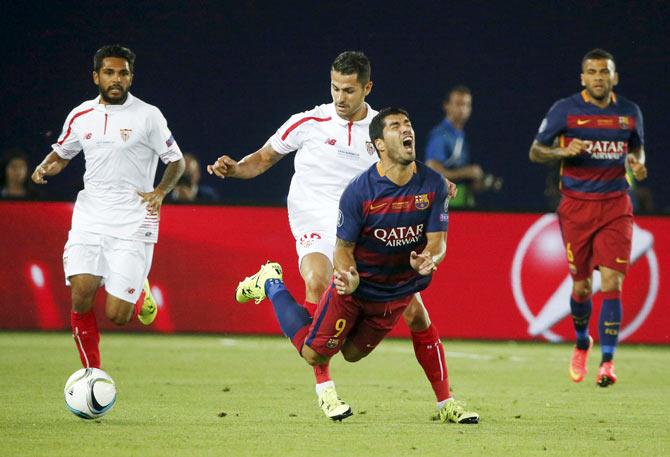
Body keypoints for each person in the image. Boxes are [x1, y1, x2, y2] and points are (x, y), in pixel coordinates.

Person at [208, 52, 460, 419]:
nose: (340, 97)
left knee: (414, 311)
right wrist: (234, 169)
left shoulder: (380, 127)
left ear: (367, 88)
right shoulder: (309, 121)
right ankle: (326, 388)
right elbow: (263, 158)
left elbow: (407, 166)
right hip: (313, 214)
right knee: (319, 280)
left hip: (364, 224)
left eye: (349, 90)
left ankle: (445, 402)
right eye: (335, 88)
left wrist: (440, 182)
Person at [31, 45, 185, 369]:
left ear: (131, 77)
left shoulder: (148, 115)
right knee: (80, 295)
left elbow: (176, 161)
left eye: (123, 73)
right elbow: (62, 153)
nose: (117, 79)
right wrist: (45, 167)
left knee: (118, 315)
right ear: (96, 76)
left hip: (133, 222)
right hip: (90, 218)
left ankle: (138, 291)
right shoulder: (80, 115)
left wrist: (160, 191)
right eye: (110, 72)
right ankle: (92, 374)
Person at [529, 48, 647, 387]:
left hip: (615, 207)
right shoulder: (564, 110)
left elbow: (637, 148)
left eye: (604, 72)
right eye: (592, 72)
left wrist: (638, 162)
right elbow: (536, 150)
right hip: (577, 208)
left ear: (615, 77)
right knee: (581, 287)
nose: (599, 77)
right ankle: (582, 341)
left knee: (612, 282)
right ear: (583, 78)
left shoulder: (629, 113)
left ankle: (607, 363)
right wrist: (561, 151)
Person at [425, 86, 501, 208]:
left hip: (462, 204)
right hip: (445, 206)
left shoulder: (460, 135)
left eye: (467, 105)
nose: (463, 109)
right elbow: (433, 172)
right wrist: (467, 172)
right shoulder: (440, 134)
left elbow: (457, 175)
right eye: (458, 104)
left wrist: (479, 182)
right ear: (446, 106)